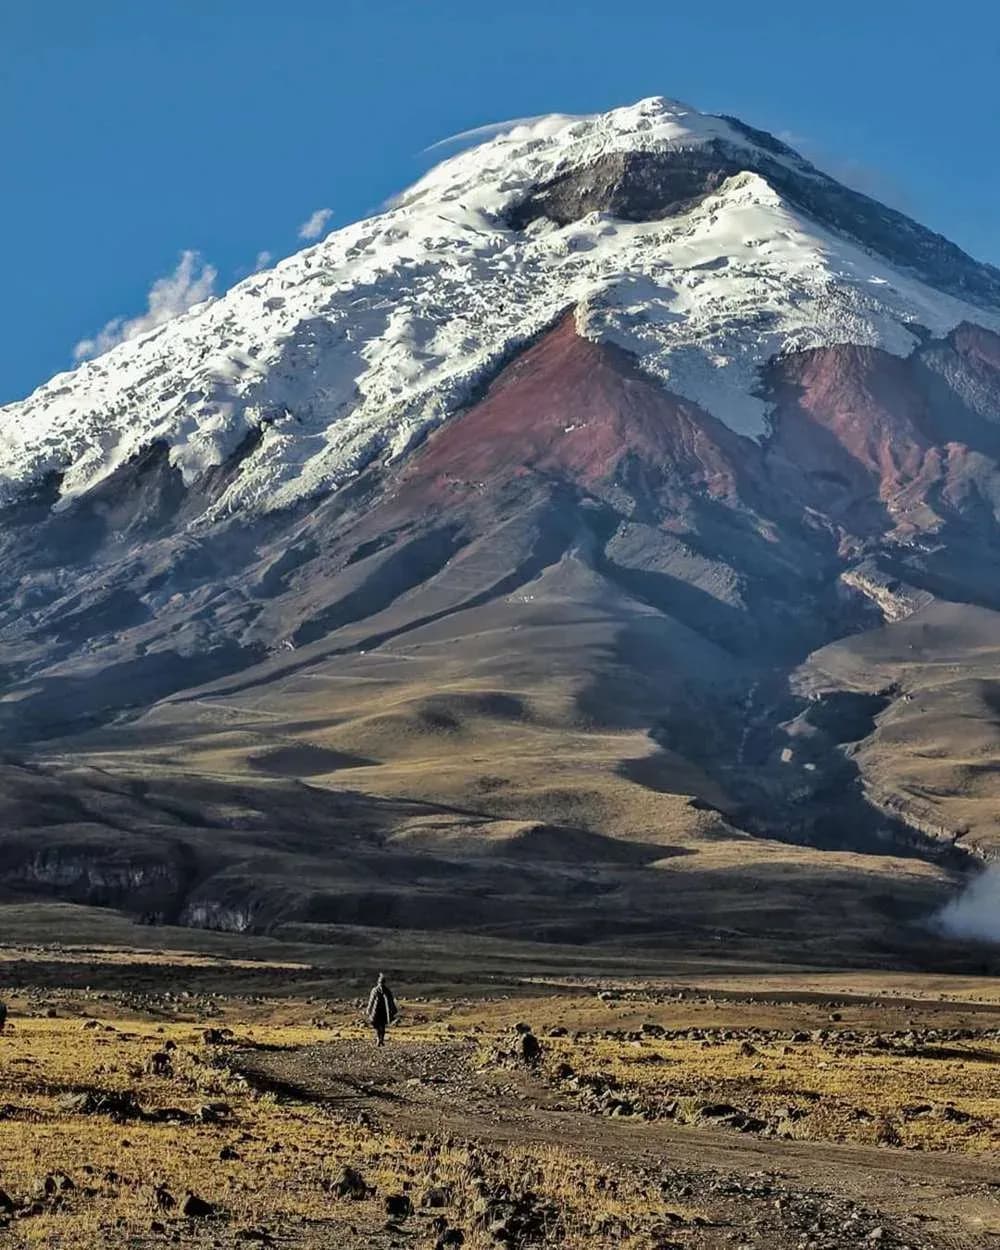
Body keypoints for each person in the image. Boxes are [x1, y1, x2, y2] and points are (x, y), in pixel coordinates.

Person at [365, 972, 397, 1047]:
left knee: (380, 1026)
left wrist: (368, 1010)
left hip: (380, 1012)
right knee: (379, 1026)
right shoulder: (382, 990)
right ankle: (380, 1039)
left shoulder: (378, 990)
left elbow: (390, 1001)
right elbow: (371, 1001)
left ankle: (380, 1040)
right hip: (378, 1011)